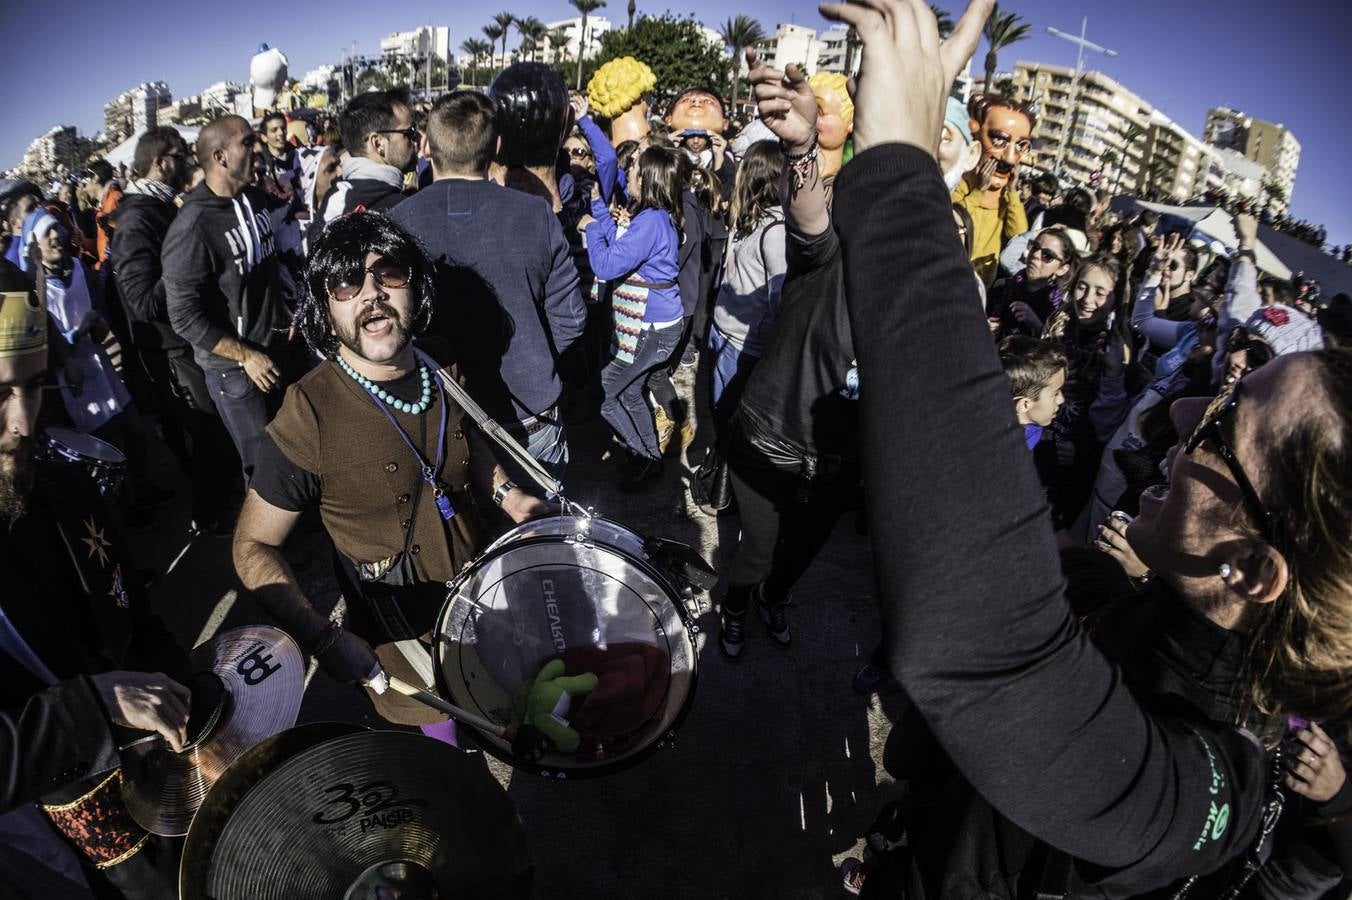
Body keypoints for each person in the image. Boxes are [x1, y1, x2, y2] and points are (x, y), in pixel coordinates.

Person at [824, 2, 1352, 895]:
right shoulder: (1111, 592)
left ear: (1255, 572)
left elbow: (983, 645)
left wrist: (901, 175)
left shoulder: (1205, 786)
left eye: (1223, 428)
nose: (1183, 414)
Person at [232, 213, 545, 726]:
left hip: (485, 610)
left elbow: (469, 441)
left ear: (413, 287)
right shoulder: (309, 411)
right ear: (326, 311)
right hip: (403, 660)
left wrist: (510, 495)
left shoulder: (440, 363)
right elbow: (250, 547)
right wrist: (324, 638)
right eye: (345, 282)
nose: (371, 292)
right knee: (445, 780)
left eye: (388, 273)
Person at [0, 268, 195, 900]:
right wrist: (90, 706)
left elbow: (132, 620)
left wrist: (207, 706)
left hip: (162, 803)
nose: (22, 422)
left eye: (33, 388)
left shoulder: (57, 479)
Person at [717, 50, 864, 661]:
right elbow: (808, 222)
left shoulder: (920, 300)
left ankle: (775, 598)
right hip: (771, 436)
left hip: (838, 459)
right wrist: (802, 150)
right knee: (754, 550)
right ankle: (732, 607)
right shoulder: (830, 252)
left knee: (798, 557)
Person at [389, 90, 585, 487]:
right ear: (496, 147)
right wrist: (535, 357)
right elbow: (571, 319)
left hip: (443, 413)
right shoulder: (536, 214)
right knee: (539, 541)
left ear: (426, 147)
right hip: (528, 408)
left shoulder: (395, 223)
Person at [109, 126, 239, 535]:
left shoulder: (162, 208)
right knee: (204, 429)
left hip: (187, 340)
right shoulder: (135, 219)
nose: (187, 161)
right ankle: (212, 514)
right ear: (161, 162)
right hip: (170, 351)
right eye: (180, 154)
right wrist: (185, 260)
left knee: (211, 428)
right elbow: (142, 303)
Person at [163, 115, 292, 485]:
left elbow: (268, 266)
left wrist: (287, 307)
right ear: (219, 157)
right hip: (236, 372)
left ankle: (304, 526)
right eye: (248, 142)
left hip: (278, 350)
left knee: (294, 448)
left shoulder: (255, 198)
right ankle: (264, 541)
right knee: (263, 466)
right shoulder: (192, 227)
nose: (258, 149)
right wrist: (246, 356)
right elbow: (184, 315)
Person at [578, 144, 685, 488]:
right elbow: (621, 250)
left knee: (606, 392)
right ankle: (649, 459)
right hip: (657, 323)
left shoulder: (650, 221)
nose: (627, 174)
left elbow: (606, 264)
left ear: (647, 178)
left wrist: (592, 227)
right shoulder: (654, 215)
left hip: (651, 328)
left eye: (634, 169)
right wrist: (597, 204)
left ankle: (642, 457)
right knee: (630, 391)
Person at [708, 140, 788, 431]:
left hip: (743, 347)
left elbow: (779, 300)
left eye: (742, 166)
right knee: (717, 414)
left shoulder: (777, 232)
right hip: (721, 333)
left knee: (729, 423)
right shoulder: (749, 217)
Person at [951, 93, 1033, 285]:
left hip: (981, 286)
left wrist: (1013, 194)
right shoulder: (956, 182)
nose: (1010, 158)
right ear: (975, 134)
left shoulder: (1006, 197)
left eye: (1021, 145)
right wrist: (978, 192)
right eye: (999, 140)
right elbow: (951, 224)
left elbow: (1018, 238)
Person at [317, 89, 419, 226]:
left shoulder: (333, 198)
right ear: (378, 143)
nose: (417, 139)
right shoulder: (400, 210)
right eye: (409, 132)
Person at [985, 226, 1076, 338]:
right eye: (1035, 247)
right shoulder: (1002, 287)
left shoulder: (1058, 311)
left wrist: (1037, 326)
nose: (1036, 255)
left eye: (1047, 256)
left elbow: (1054, 350)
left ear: (1062, 269)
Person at [998, 335, 1066, 450]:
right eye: (1055, 393)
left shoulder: (1036, 433)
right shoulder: (1008, 453)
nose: (1061, 399)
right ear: (1024, 405)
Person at [76, 160, 122, 269]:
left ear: (95, 178)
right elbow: (104, 244)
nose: (85, 189)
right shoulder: (103, 204)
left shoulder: (114, 199)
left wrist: (98, 268)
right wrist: (84, 242)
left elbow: (117, 247)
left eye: (86, 183)